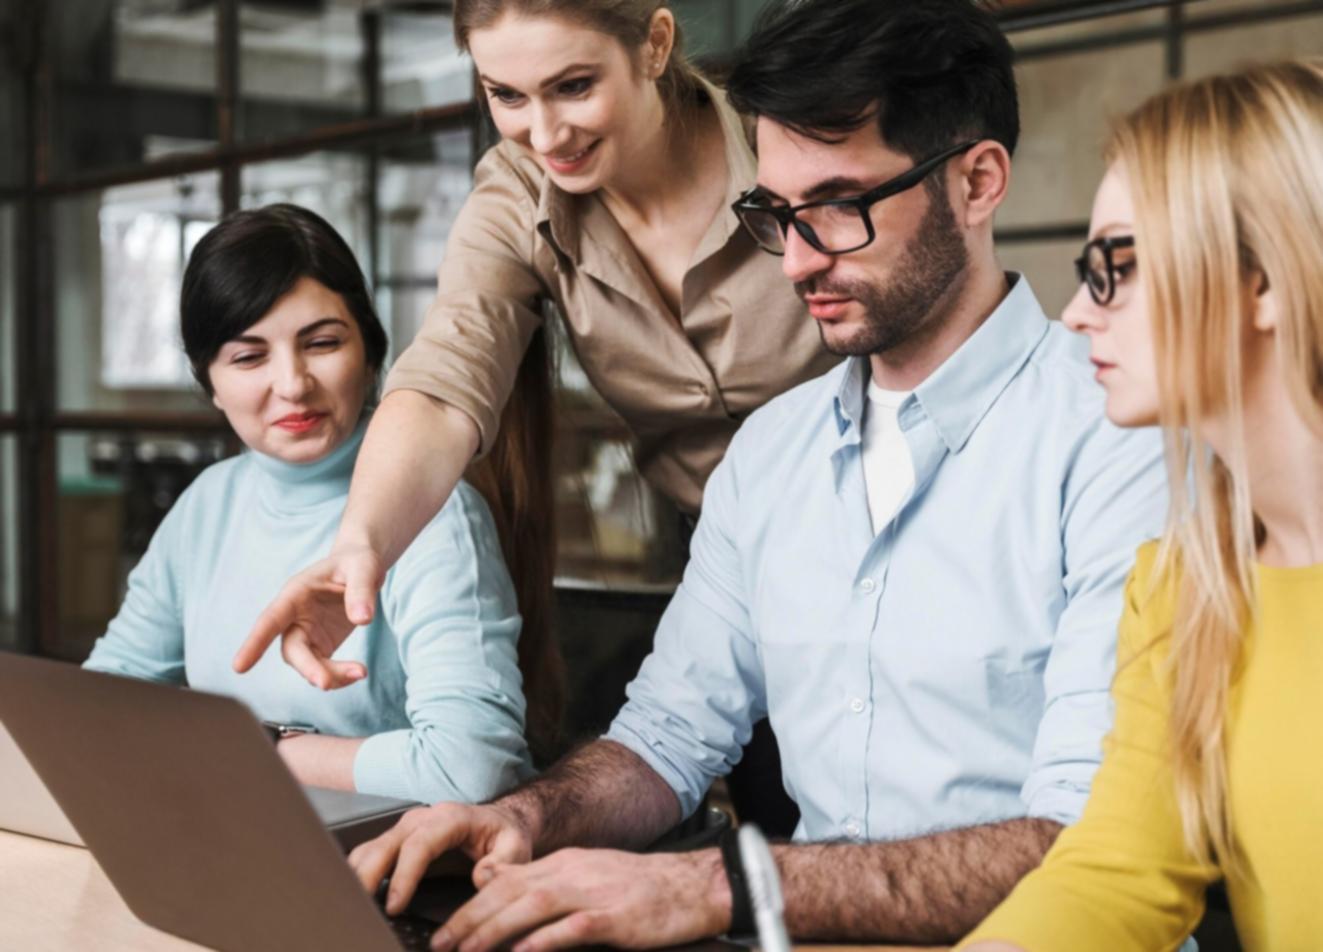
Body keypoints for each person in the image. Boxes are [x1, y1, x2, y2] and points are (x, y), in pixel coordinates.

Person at [341, 1, 1169, 947]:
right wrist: (526, 819)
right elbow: (663, 741)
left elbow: (1090, 843)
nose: (797, 261)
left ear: (977, 182)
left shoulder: (1117, 441)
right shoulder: (771, 457)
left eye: (838, 208)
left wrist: (719, 887)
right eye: (775, 215)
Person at [235, 0, 837, 833]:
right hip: (725, 562)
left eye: (574, 86)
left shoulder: (784, 145)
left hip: (881, 527)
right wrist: (361, 545)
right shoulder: (520, 193)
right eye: (506, 95)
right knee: (777, 825)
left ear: (654, 44)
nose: (544, 132)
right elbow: (449, 372)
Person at [960, 58, 1323, 952]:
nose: (1078, 312)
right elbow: (1118, 873)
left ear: (1264, 281)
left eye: (1114, 266)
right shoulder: (1184, 588)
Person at [83, 204, 552, 805]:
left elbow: (472, 767)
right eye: (249, 357)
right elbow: (103, 703)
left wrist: (264, 751)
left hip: (380, 865)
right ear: (211, 385)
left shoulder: (435, 513)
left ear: (373, 353)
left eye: (323, 343)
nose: (294, 383)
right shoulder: (207, 504)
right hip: (224, 835)